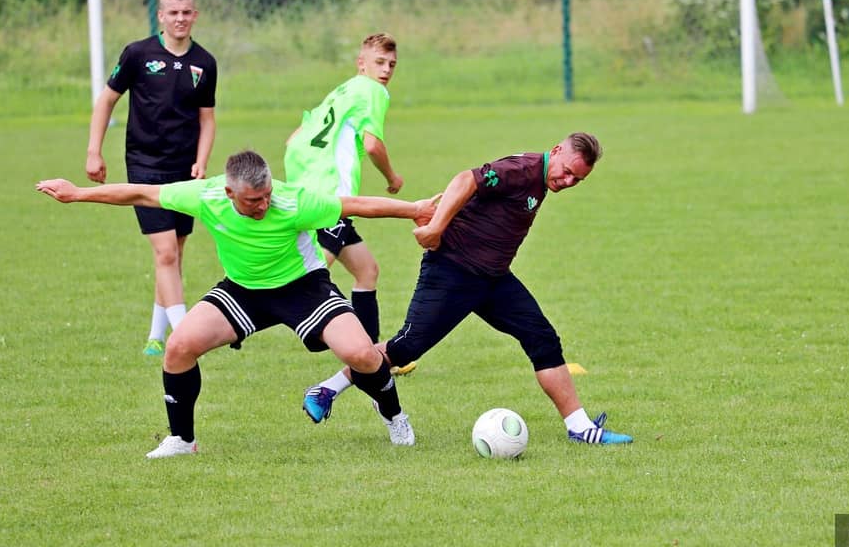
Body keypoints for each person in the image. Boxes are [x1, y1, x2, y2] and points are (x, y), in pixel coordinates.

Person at [37, 149, 438, 458]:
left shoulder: (292, 201)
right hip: (242, 291)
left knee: (362, 354)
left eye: (266, 196)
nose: (263, 205)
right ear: (229, 193)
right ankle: (182, 439)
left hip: (303, 288)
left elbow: (356, 205)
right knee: (178, 347)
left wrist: (416, 210)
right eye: (252, 200)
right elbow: (142, 193)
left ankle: (393, 416)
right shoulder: (207, 196)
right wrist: (77, 194)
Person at [302, 133, 633, 445]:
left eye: (577, 180)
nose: (568, 181)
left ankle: (580, 427)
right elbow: (465, 179)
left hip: (493, 279)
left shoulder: (541, 178)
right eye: (567, 172)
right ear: (557, 151)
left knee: (542, 338)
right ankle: (327, 389)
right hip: (452, 271)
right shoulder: (522, 170)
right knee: (406, 348)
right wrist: (435, 227)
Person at [284, 32, 416, 421]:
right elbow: (372, 145)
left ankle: (371, 355)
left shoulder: (341, 91)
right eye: (379, 63)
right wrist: (392, 177)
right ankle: (362, 363)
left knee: (366, 270)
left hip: (310, 188)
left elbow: (294, 138)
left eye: (391, 65)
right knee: (305, 280)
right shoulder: (373, 92)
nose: (386, 70)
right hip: (331, 197)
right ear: (362, 63)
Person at [86, 0, 217, 357]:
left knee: (174, 253)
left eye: (186, 12)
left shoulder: (205, 63)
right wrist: (94, 151)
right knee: (165, 253)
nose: (180, 19)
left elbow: (207, 119)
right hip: (144, 165)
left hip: (183, 168)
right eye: (173, 13)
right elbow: (106, 101)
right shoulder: (138, 54)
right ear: (161, 16)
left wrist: (202, 160)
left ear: (195, 15)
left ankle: (155, 337)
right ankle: (185, 335)